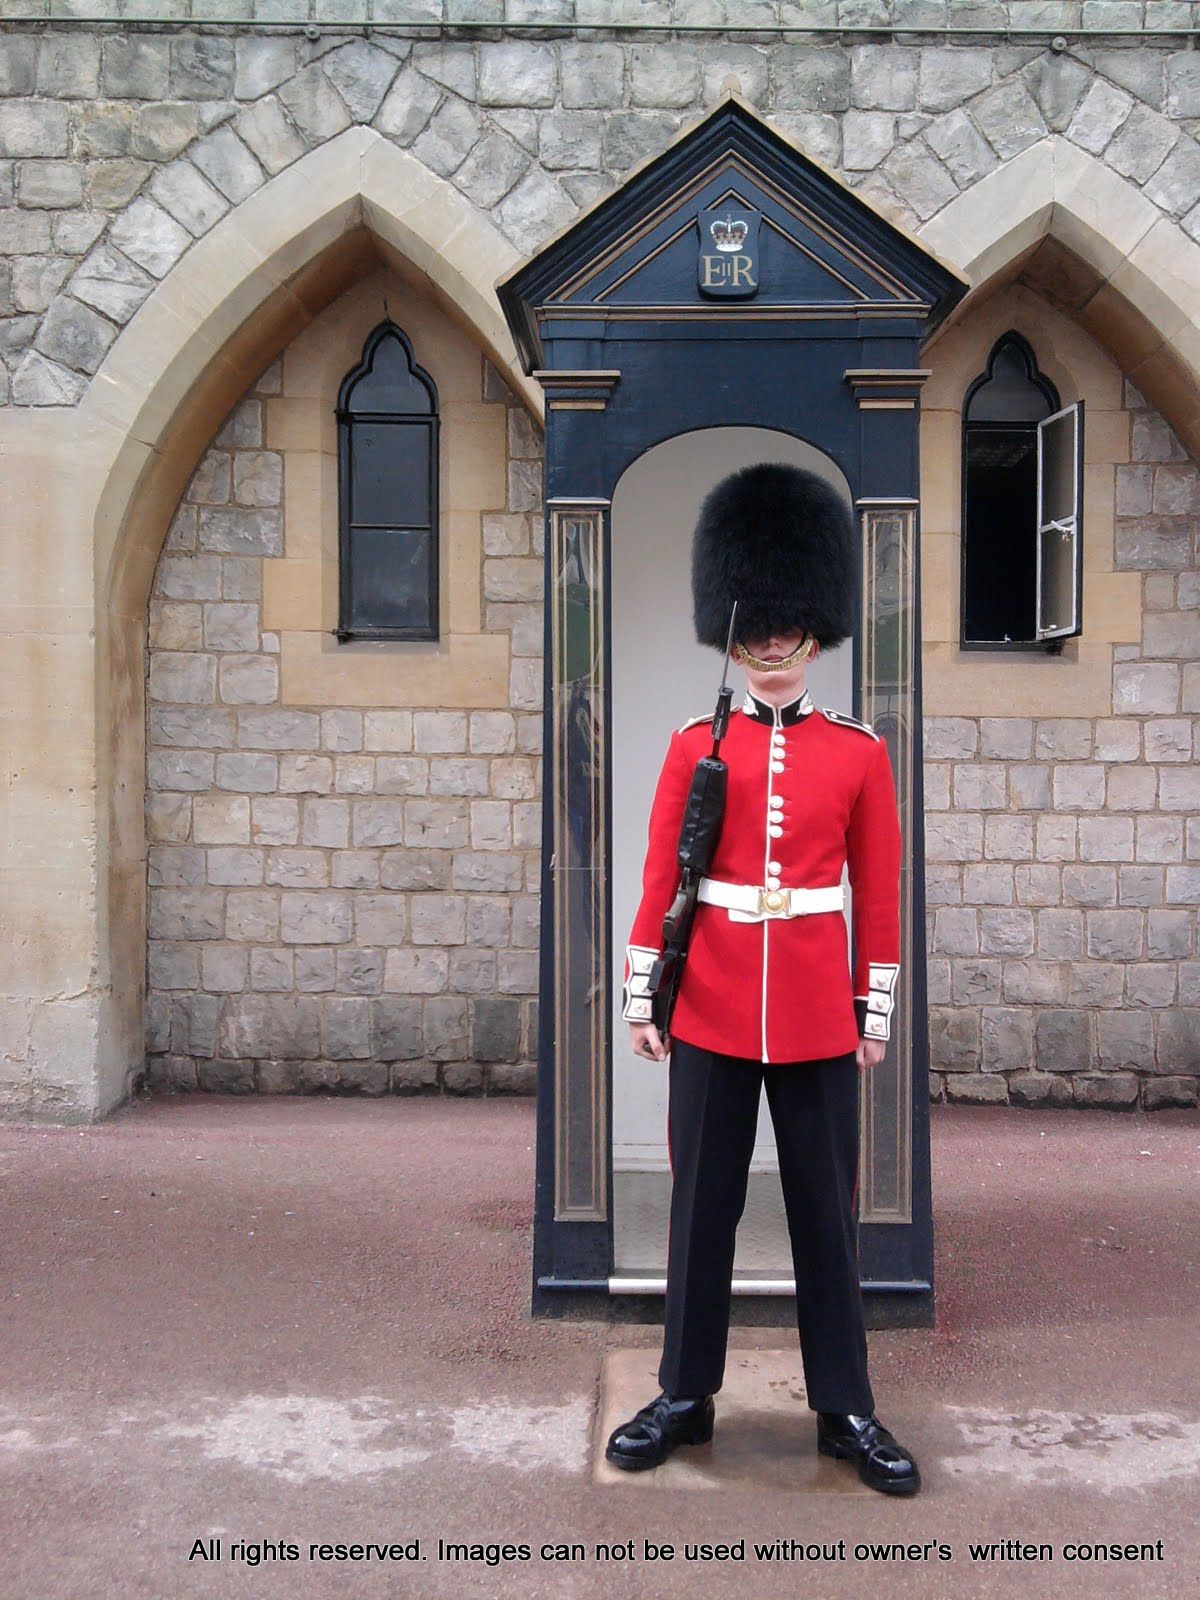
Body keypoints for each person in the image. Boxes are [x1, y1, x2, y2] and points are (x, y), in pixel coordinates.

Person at [605, 461, 920, 1496]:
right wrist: (646, 995)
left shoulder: (858, 753)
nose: (773, 642)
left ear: (811, 627)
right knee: (704, 1208)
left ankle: (847, 1404)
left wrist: (872, 1006)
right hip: (714, 1004)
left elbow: (877, 893)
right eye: (758, 624)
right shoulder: (697, 743)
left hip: (820, 1015)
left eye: (788, 623)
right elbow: (664, 875)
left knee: (828, 1212)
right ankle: (685, 1393)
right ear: (735, 629)